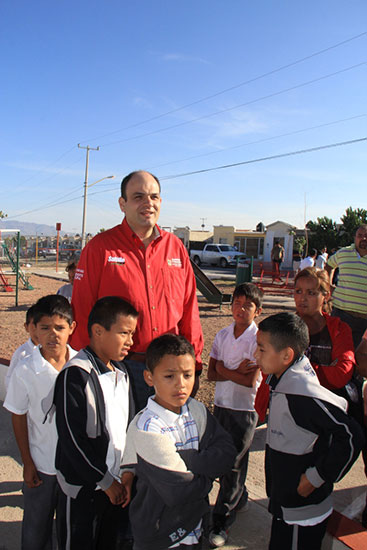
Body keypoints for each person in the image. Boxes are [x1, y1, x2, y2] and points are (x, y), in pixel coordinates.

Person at [71, 170, 204, 410]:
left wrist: (193, 363)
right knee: (121, 442)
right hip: (120, 368)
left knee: (166, 442)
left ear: (160, 202)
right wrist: (91, 368)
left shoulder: (175, 248)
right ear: (122, 204)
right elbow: (82, 310)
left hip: (169, 368)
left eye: (154, 197)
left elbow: (189, 309)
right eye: (138, 197)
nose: (148, 203)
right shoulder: (100, 248)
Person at [254, 313, 364, 550]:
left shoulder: (301, 394)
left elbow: (352, 434)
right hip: (287, 504)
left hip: (301, 512)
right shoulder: (282, 380)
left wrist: (317, 477)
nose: (255, 355)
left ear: (287, 355)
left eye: (261, 349)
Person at [121, 334, 237, 550]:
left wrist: (187, 459)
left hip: (195, 527)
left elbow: (228, 453)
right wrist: (209, 477)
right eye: (169, 376)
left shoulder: (197, 410)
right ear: (149, 377)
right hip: (159, 533)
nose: (181, 385)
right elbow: (178, 491)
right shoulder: (147, 428)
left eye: (187, 375)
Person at [54, 296, 138, 550]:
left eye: (132, 334)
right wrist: (104, 481)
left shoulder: (122, 373)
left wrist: (128, 474)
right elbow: (72, 439)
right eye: (125, 333)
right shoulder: (75, 374)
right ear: (98, 331)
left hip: (115, 486)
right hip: (83, 488)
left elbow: (130, 428)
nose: (131, 342)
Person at [3, 295, 76, 550]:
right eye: (45, 327)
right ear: (34, 329)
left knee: (72, 529)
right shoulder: (24, 370)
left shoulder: (82, 366)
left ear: (72, 328)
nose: (52, 334)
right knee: (36, 528)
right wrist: (27, 462)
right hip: (42, 466)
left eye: (59, 327)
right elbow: (18, 415)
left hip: (75, 468)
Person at [207, 283, 263, 547]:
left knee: (233, 463)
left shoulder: (259, 339)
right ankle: (238, 498)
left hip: (245, 409)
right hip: (221, 405)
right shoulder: (222, 335)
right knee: (230, 459)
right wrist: (234, 371)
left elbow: (250, 381)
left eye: (247, 305)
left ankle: (221, 520)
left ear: (258, 310)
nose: (240, 309)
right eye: (237, 303)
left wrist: (224, 370)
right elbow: (210, 374)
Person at [326, 225, 367, 349]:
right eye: (360, 235)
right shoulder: (343, 253)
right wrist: (328, 286)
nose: (364, 238)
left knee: (358, 359)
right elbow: (328, 266)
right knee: (334, 351)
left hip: (364, 320)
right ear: (355, 237)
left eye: (366, 236)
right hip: (341, 314)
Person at [5, 303, 39, 389]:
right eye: (34, 326)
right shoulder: (22, 353)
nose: (39, 331)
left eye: (45, 327)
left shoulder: (55, 351)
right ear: (26, 327)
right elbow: (10, 380)